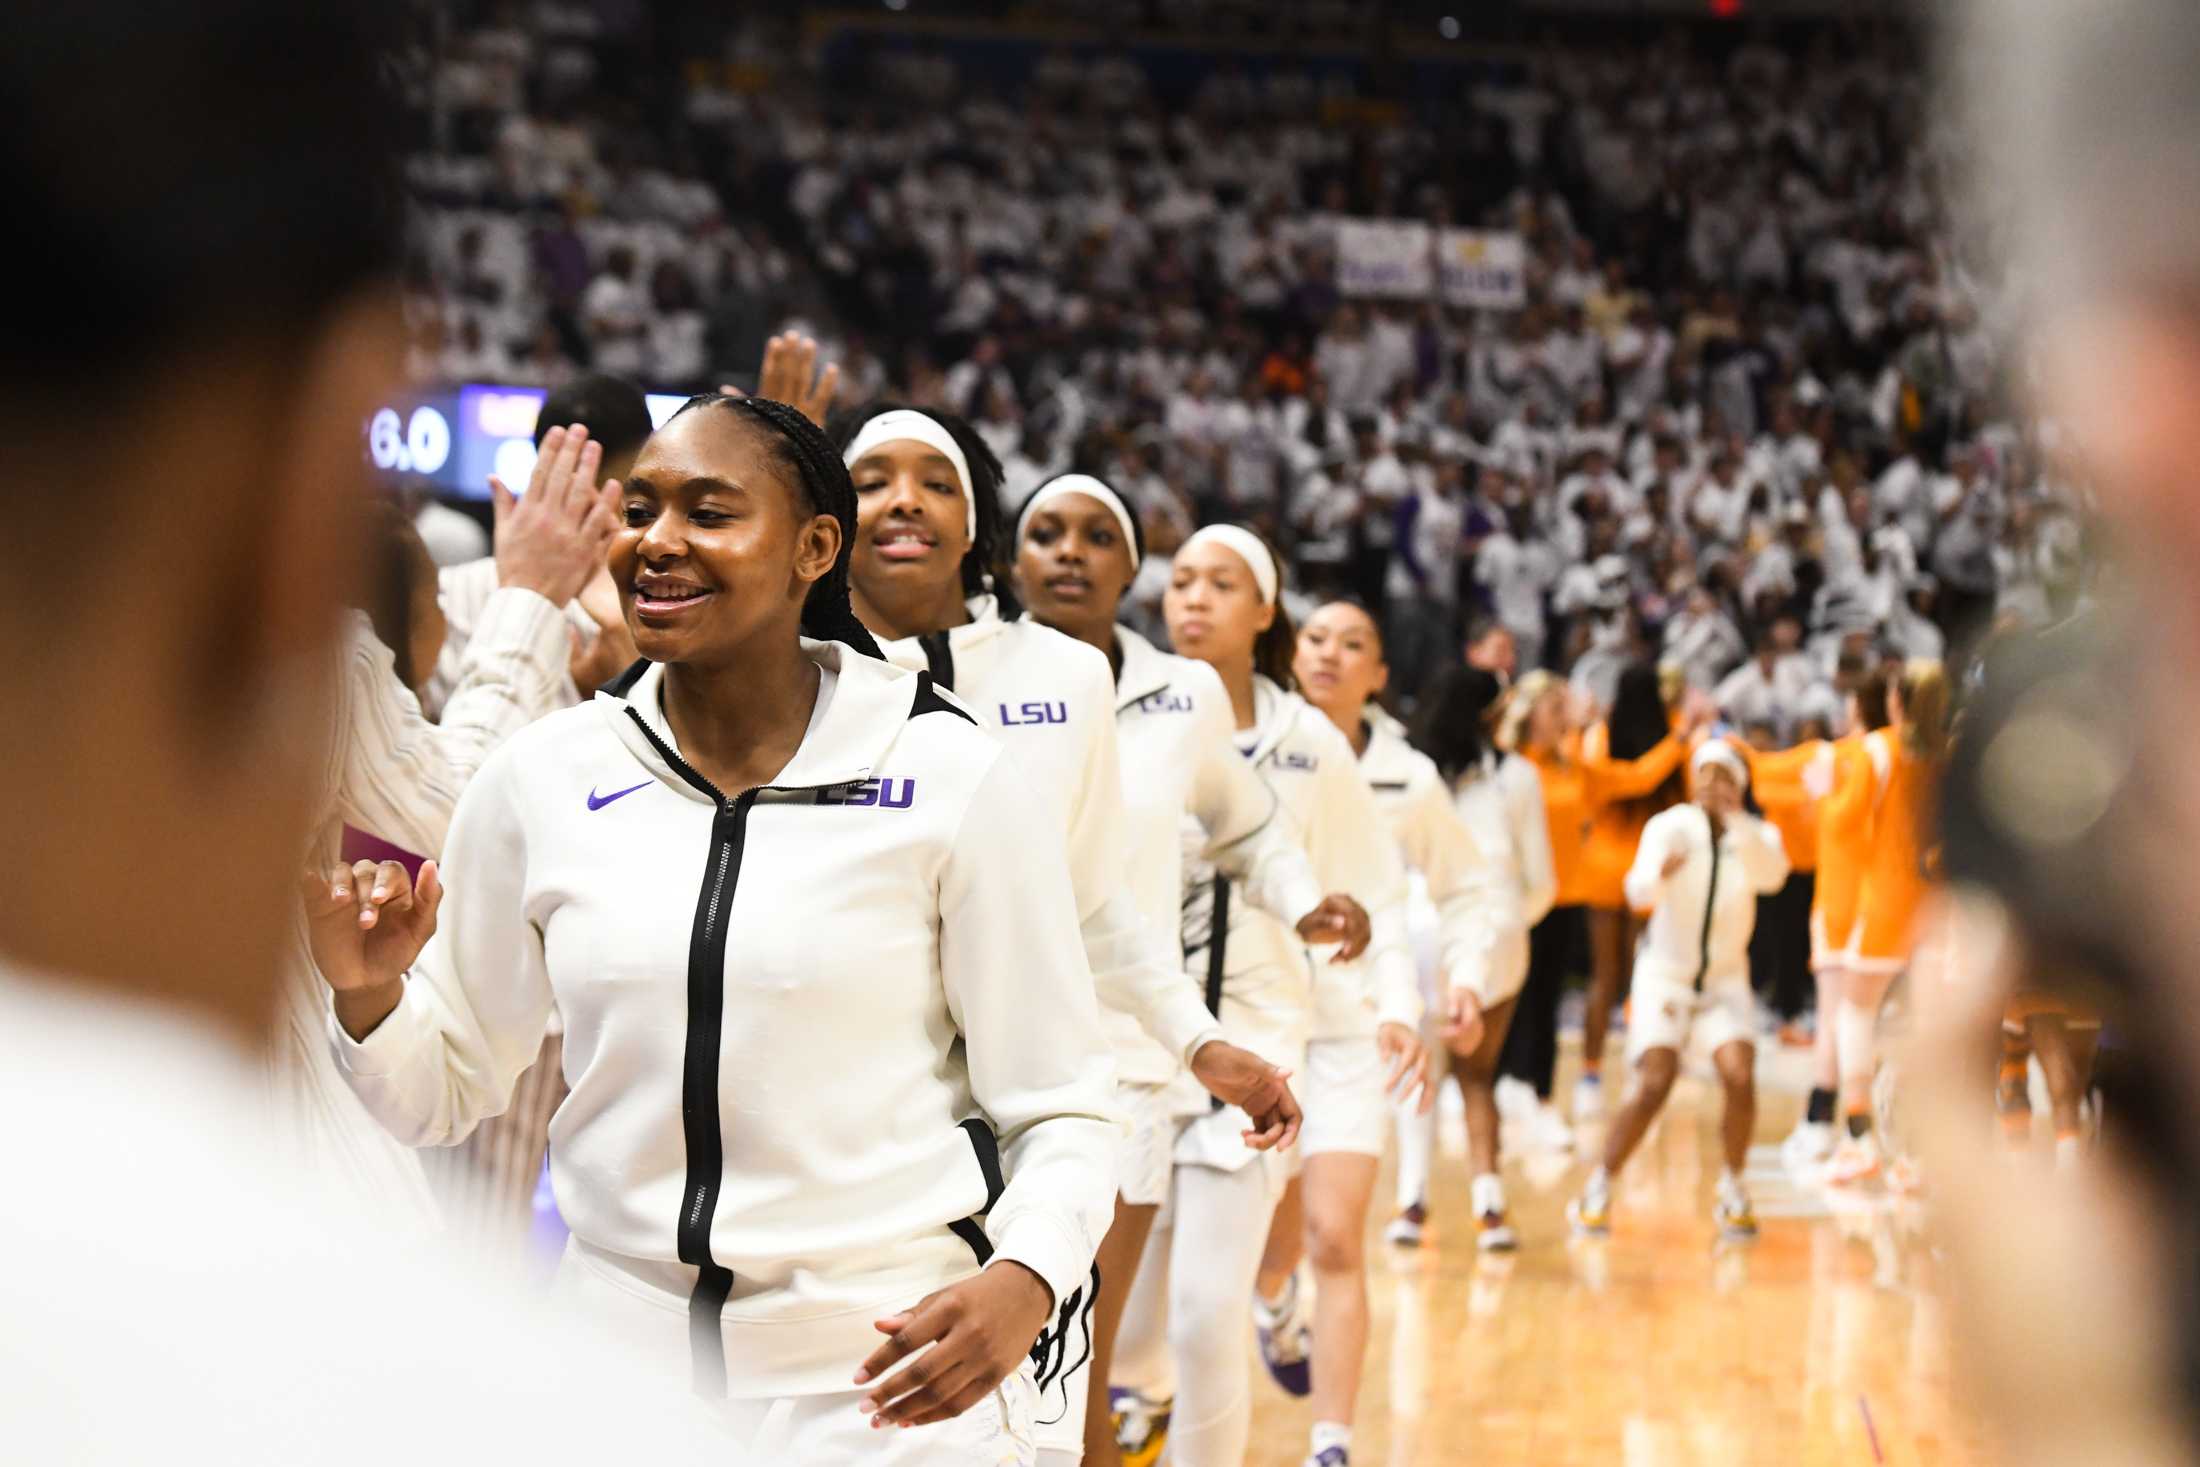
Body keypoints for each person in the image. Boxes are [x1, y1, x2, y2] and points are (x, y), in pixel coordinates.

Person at [0, 1, 721, 1458]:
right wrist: (526, 609)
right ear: (305, 479)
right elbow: (466, 811)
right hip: (314, 1135)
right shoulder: (441, 1397)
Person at [313, 394, 1117, 1462]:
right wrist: (370, 1000)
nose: (656, 540)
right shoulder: (541, 779)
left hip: (892, 1384)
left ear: (813, 549)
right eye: (640, 508)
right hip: (617, 1389)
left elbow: (1061, 1105)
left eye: (708, 511)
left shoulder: (948, 772)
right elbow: (446, 1088)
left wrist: (1026, 1277)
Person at [834, 403, 1301, 1466]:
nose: (902, 500)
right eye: (870, 480)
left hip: (1047, 1107)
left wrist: (1197, 1039)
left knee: (1051, 1407)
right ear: (826, 524)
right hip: (862, 1127)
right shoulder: (793, 671)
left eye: (933, 481)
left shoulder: (1066, 675)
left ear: (972, 529)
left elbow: (1091, 902)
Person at [1009, 472, 1374, 1467]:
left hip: (1175, 1047)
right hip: (1002, 1049)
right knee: (1089, 1344)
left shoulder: (1196, 705)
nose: (1197, 600)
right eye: (1044, 533)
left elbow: (1271, 844)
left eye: (1096, 536)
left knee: (1146, 1324)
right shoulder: (970, 673)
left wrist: (1321, 926)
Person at [1115, 527, 1429, 1467]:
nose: (1193, 599)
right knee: (1129, 1332)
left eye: (1223, 584)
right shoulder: (1128, 716)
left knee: (1209, 1315)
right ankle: (1146, 1403)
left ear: (1268, 613)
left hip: (1261, 1052)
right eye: (1182, 583)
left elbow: (1376, 891)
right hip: (1135, 1048)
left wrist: (1398, 1004)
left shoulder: (1310, 746)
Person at [1285, 606, 1496, 1263]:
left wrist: (1465, 977)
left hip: (1361, 1018)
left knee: (1335, 1233)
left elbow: (1465, 886)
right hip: (1256, 1011)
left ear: (1377, 675)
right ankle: (1276, 1296)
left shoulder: (1411, 774)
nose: (1329, 654)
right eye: (1315, 639)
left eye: (1352, 645)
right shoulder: (1246, 748)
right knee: (1267, 1234)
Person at [1568, 741, 1790, 1240]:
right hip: (1665, 974)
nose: (1713, 785)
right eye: (1705, 774)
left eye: (1725, 776)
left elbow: (1773, 877)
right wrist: (1658, 875)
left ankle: (1733, 1185)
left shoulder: (1754, 835)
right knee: (1654, 1082)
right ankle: (1599, 1183)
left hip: (1725, 979)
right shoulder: (1669, 826)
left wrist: (1739, 826)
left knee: (1739, 1072)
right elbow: (1636, 892)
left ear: (1740, 785)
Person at [1389, 664, 1558, 1249]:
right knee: (1477, 1073)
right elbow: (1542, 884)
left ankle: (1411, 1203)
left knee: (1418, 1072)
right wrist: (1513, 923)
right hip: (1495, 930)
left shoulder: (1408, 771)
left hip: (1415, 927)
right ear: (1494, 715)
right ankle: (1489, 1205)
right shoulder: (1517, 776)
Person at [1825, 659, 1949, 1185]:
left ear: (1895, 700)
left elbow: (1844, 818)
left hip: (1884, 902)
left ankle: (1859, 1140)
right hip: (1934, 904)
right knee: (1925, 1025)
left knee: (1855, 1013)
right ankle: (1917, 1157)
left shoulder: (1879, 748)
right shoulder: (1950, 751)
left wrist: (1822, 794)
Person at [1572, 663, 1702, 1122]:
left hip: (1607, 867)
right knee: (1643, 971)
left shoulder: (1601, 736)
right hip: (1654, 867)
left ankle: (1590, 1077)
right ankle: (1634, 1066)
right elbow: (1675, 797)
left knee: (1605, 975)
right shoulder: (1676, 741)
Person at [1492, 670, 1590, 1154]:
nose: (1563, 719)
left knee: (1546, 999)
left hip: (1566, 897)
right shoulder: (1509, 766)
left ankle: (1543, 1095)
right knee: (1512, 995)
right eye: (1556, 710)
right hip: (1518, 898)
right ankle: (1503, 1085)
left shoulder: (1573, 764)